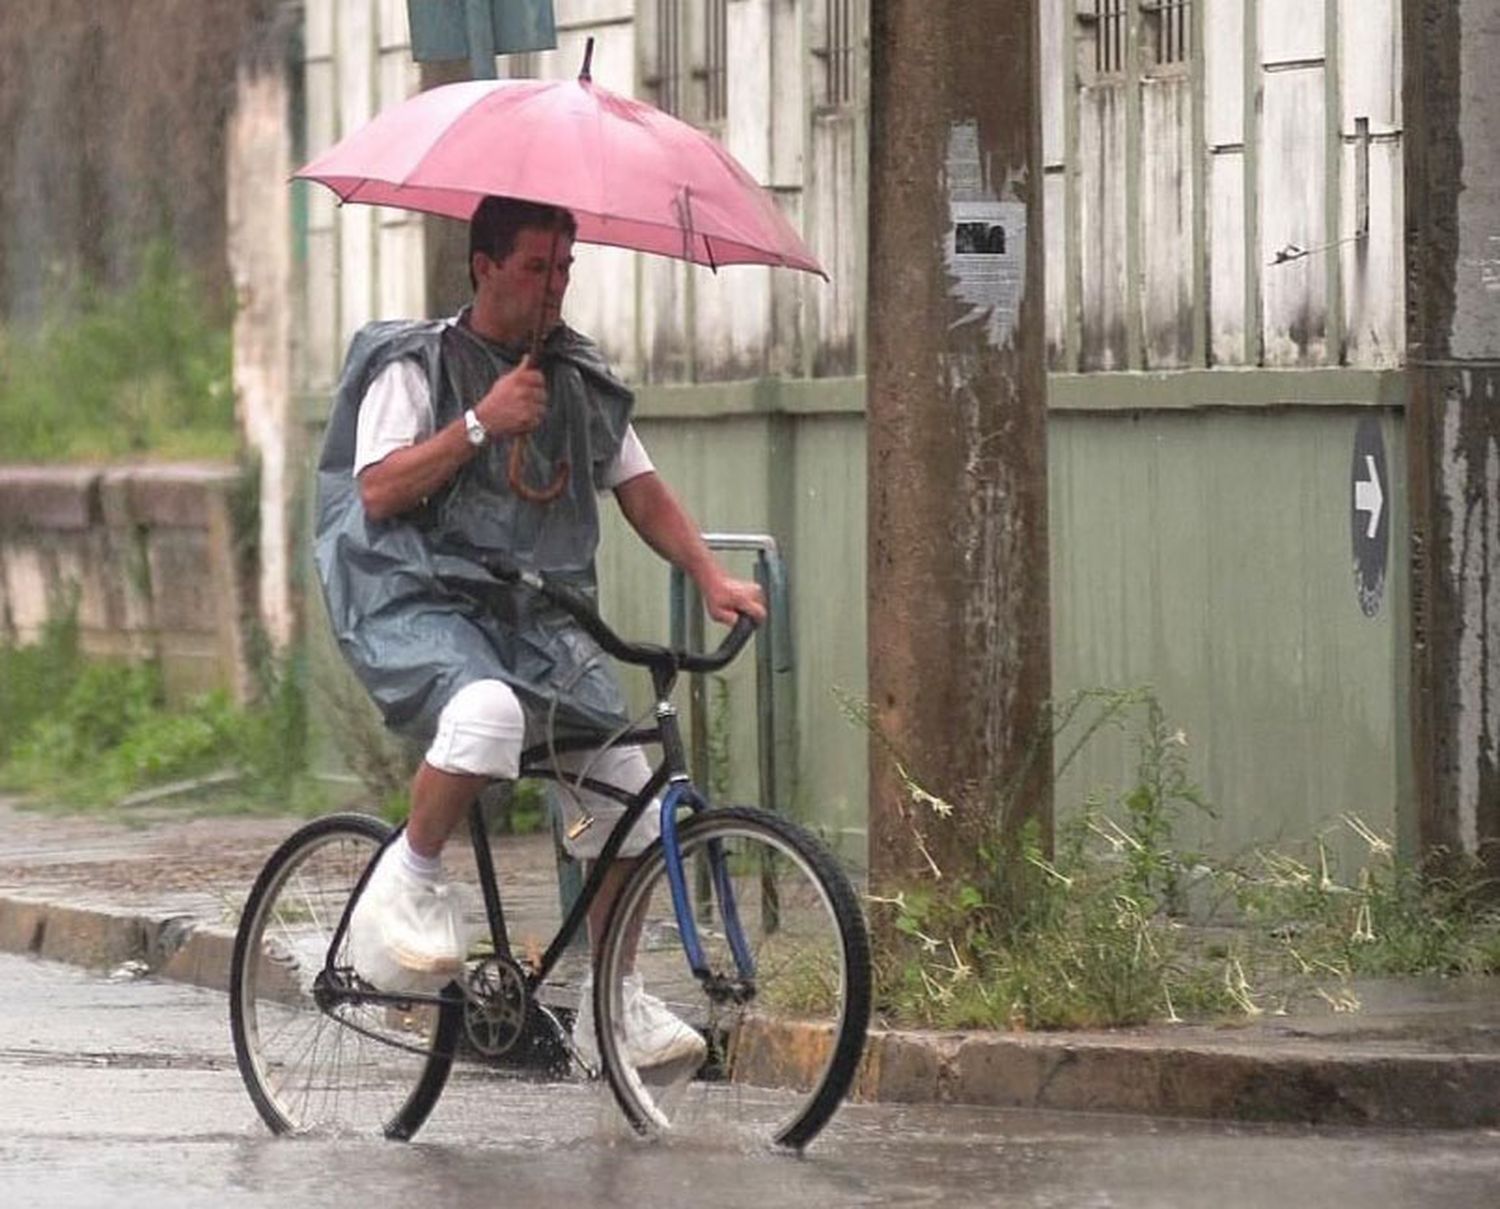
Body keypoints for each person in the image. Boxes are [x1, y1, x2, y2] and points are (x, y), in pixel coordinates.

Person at [313, 195, 765, 1069]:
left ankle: (612, 1004)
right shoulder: (417, 361)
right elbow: (376, 491)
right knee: (487, 713)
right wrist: (482, 420)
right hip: (419, 601)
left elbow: (639, 487)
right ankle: (404, 881)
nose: (553, 287)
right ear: (483, 264)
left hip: (536, 620)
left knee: (630, 796)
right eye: (534, 267)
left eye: (564, 268)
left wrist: (709, 574)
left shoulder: (577, 379)